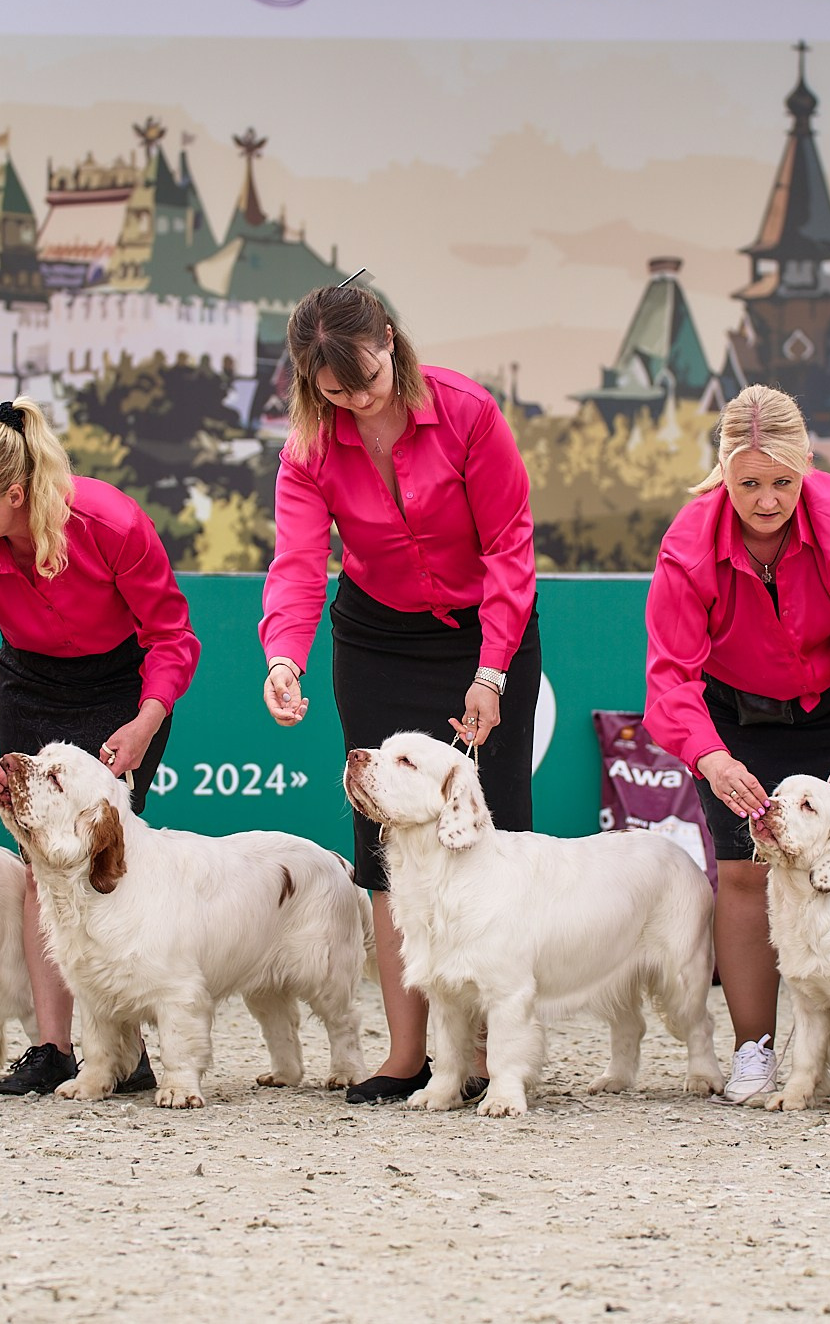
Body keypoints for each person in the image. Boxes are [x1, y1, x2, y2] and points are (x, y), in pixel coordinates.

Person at [259, 282, 540, 1106]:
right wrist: (284, 658)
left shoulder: (468, 412)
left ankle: (487, 1053)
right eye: (333, 392)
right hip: (376, 638)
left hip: (485, 632)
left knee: (488, 832)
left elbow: (510, 546)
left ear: (388, 338)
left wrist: (492, 670)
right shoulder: (308, 448)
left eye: (367, 381)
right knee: (385, 842)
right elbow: (298, 563)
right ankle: (408, 1053)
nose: (356, 401)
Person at [0, 397, 199, 1097]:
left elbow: (171, 635)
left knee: (109, 859)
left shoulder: (111, 523)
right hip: (30, 686)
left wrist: (147, 720)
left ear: (15, 494)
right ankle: (53, 1046)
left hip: (123, 690)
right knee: (39, 865)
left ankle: (127, 1047)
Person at [643, 384, 830, 1106]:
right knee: (743, 873)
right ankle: (753, 1050)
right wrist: (710, 756)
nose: (766, 501)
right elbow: (670, 675)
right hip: (730, 718)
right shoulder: (688, 544)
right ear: (723, 471)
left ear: (806, 466)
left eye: (783, 483)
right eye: (748, 483)